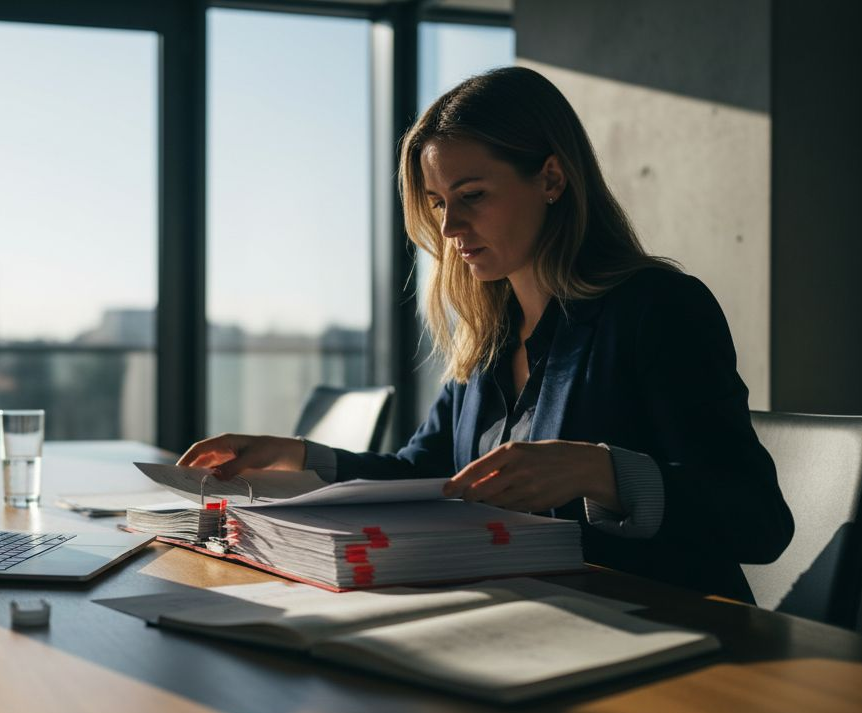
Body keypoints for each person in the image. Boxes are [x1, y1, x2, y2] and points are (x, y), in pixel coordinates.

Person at [179, 66, 793, 603]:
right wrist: (299, 457)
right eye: (437, 202)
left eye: (472, 196)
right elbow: (423, 473)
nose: (450, 227)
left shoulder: (657, 308)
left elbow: (759, 521)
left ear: (551, 179)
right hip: (535, 618)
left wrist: (601, 472)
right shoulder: (491, 335)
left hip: (667, 630)